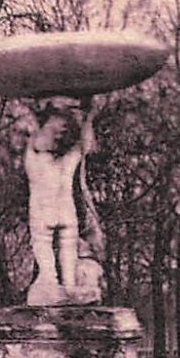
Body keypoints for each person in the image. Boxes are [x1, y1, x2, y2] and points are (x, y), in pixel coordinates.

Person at [24, 95, 105, 305]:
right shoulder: (35, 158)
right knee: (46, 248)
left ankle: (67, 287)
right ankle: (51, 284)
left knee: (66, 248)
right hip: (45, 211)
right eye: (56, 129)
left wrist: (88, 120)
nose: (59, 135)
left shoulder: (62, 162)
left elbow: (83, 148)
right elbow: (38, 139)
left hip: (60, 211)